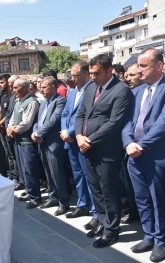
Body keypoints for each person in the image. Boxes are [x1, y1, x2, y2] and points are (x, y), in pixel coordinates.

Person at [122, 48, 165, 262]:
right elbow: (127, 122)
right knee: (142, 199)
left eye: (143, 65)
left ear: (158, 66)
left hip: (156, 156)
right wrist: (129, 143)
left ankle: (161, 241)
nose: (138, 70)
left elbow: (164, 123)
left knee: (159, 200)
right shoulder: (137, 91)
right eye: (138, 65)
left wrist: (141, 145)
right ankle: (148, 235)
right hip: (134, 155)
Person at [75, 54, 133, 248]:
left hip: (107, 150)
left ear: (109, 70)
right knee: (96, 189)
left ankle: (112, 230)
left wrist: (90, 139)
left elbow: (115, 123)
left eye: (97, 73)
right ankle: (102, 221)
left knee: (109, 190)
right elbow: (81, 114)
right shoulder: (91, 88)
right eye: (90, 73)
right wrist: (78, 136)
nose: (92, 77)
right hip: (87, 147)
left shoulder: (121, 90)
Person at [61, 61, 97, 225]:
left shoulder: (93, 89)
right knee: (78, 175)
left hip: (82, 139)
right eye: (72, 75)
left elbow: (85, 116)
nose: (72, 78)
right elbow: (66, 113)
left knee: (90, 178)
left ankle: (96, 212)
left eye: (75, 75)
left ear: (85, 74)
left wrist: (70, 132)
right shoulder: (73, 92)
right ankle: (83, 204)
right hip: (70, 141)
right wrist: (64, 131)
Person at [31, 76, 70, 215]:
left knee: (57, 173)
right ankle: (53, 197)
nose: (41, 89)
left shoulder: (61, 101)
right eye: (40, 87)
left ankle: (64, 202)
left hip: (53, 143)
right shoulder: (43, 102)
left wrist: (39, 133)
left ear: (53, 87)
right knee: (48, 172)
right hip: (42, 141)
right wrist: (35, 132)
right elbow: (38, 120)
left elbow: (54, 120)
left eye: (44, 87)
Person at [7, 78, 41, 209]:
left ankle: (35, 197)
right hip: (18, 140)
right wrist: (10, 128)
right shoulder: (17, 102)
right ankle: (29, 190)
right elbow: (11, 119)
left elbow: (27, 123)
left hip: (27, 141)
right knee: (22, 168)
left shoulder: (32, 102)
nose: (13, 90)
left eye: (16, 87)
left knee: (30, 169)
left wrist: (14, 130)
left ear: (25, 88)